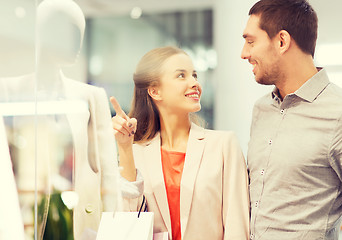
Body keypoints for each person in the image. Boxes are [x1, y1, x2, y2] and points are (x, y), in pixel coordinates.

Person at [0, 0, 121, 239]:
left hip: (81, 220)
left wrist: (114, 226)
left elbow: (107, 171)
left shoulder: (90, 96)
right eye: (70, 33)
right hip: (25, 216)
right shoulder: (9, 90)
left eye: (81, 34)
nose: (77, 44)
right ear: (44, 34)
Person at [111, 46, 250, 240]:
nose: (194, 83)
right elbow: (126, 226)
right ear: (155, 91)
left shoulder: (223, 146)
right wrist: (125, 148)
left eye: (194, 75)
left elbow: (237, 228)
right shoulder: (136, 154)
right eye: (181, 76)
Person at [241, 0, 342, 239]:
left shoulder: (337, 112)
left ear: (282, 41)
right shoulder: (261, 109)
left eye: (251, 41)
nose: (244, 53)